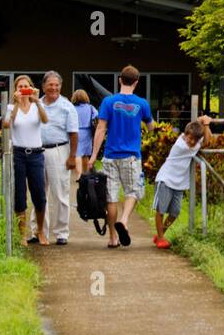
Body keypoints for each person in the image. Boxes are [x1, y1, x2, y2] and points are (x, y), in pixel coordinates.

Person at [90, 65, 153, 248]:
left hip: (110, 156)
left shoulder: (108, 102)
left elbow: (101, 129)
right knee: (132, 192)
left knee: (111, 198)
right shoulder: (142, 104)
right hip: (132, 156)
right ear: (136, 82)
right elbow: (151, 128)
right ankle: (124, 221)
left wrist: (94, 155)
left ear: (120, 80)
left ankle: (112, 238)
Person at [151, 116, 212, 248]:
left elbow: (206, 139)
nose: (191, 142)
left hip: (179, 183)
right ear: (185, 135)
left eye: (194, 140)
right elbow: (206, 141)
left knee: (174, 213)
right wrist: (205, 123)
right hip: (165, 179)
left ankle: (160, 234)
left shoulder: (193, 144)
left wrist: (204, 124)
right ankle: (161, 238)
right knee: (161, 210)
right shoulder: (181, 145)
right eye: (189, 138)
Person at [3, 74, 49, 246]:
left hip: (36, 154)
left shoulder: (38, 105)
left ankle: (40, 231)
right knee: (19, 195)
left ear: (32, 87)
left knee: (39, 194)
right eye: (20, 87)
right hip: (18, 154)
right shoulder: (11, 106)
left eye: (26, 86)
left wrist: (37, 101)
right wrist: (15, 104)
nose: (23, 90)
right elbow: (7, 124)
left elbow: (45, 120)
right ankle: (22, 234)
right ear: (15, 90)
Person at [37, 71, 79, 245]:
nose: (53, 88)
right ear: (43, 86)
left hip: (59, 150)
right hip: (37, 151)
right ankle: (38, 231)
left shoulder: (67, 106)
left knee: (60, 193)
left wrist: (72, 157)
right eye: (50, 85)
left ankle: (61, 232)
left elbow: (74, 133)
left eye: (57, 85)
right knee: (39, 193)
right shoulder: (36, 104)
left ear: (60, 87)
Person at [72, 89, 98, 173]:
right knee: (86, 155)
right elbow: (96, 117)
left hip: (75, 132)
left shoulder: (72, 108)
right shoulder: (90, 108)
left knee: (77, 154)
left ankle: (79, 175)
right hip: (87, 132)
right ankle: (86, 174)